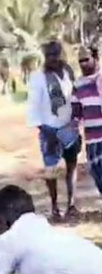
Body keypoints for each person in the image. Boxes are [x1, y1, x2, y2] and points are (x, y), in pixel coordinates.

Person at [26, 41, 82, 221]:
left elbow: (75, 96)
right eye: (48, 55)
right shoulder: (38, 77)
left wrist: (74, 122)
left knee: (71, 165)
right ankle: (55, 207)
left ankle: (71, 205)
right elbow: (33, 107)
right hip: (49, 129)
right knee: (51, 170)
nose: (52, 59)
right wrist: (46, 131)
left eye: (55, 55)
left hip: (68, 127)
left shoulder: (68, 73)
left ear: (61, 54)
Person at [71, 45, 102, 204]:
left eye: (86, 59)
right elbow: (75, 112)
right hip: (92, 139)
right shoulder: (78, 85)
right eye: (80, 61)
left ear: (96, 58)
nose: (83, 64)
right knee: (97, 173)